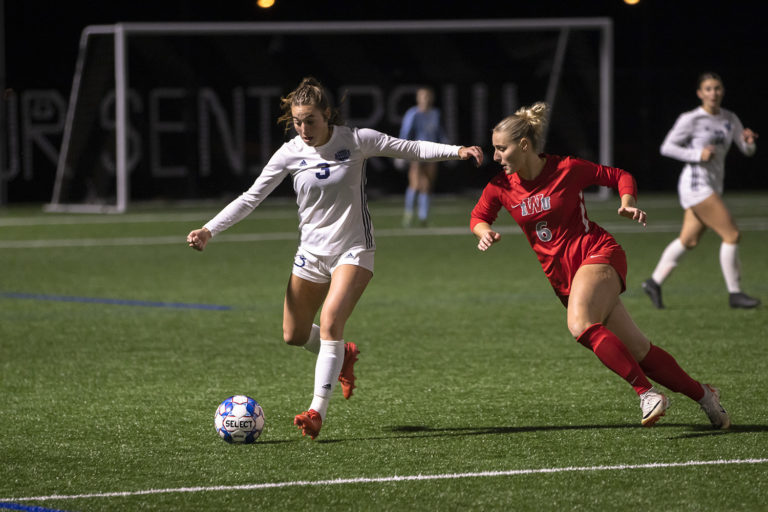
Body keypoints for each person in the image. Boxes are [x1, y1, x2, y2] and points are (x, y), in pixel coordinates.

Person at [187, 77, 483, 440]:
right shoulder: (290, 153)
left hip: (353, 250)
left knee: (330, 321)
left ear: (328, 114)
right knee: (293, 334)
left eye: (310, 119)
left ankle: (316, 412)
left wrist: (457, 150)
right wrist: (208, 230)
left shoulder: (356, 140)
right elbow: (250, 198)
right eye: (297, 121)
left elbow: (409, 147)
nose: (304, 128)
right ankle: (343, 355)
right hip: (311, 254)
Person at [470, 102, 730, 429]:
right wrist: (484, 231)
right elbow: (479, 215)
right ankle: (705, 395)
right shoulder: (501, 187)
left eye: (500, 149)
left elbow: (619, 176)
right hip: (564, 279)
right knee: (639, 351)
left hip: (598, 253)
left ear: (523, 146)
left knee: (579, 323)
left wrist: (627, 203)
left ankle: (647, 394)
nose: (496, 156)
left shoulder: (566, 168)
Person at [642, 72, 760, 309]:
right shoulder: (691, 119)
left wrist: (749, 143)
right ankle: (735, 294)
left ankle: (653, 282)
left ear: (722, 91)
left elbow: (746, 150)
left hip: (713, 184)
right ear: (700, 93)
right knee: (732, 235)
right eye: (708, 89)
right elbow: (667, 147)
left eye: (717, 88)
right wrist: (697, 154)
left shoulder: (730, 118)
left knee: (689, 240)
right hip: (696, 185)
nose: (713, 93)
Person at [399, 86, 447, 227]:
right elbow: (405, 133)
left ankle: (423, 216)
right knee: (416, 183)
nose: (426, 99)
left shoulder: (435, 113)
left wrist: (449, 148)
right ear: (418, 98)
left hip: (433, 152)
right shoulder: (413, 114)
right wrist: (400, 154)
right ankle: (408, 214)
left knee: (427, 185)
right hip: (417, 152)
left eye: (428, 96)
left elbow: (439, 133)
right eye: (423, 96)